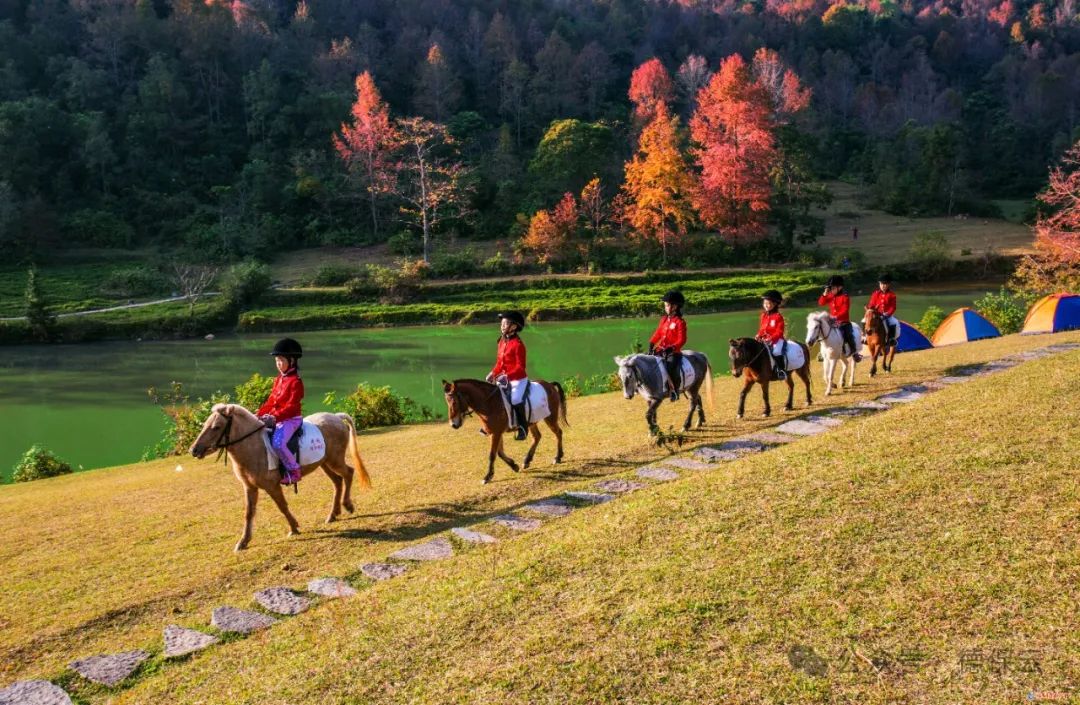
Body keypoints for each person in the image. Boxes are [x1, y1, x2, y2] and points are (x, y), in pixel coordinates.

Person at [257, 338, 305, 486]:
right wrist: (259, 414)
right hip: (276, 418)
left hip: (291, 419)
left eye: (281, 360)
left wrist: (274, 417)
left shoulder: (296, 381)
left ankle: (294, 470)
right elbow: (271, 401)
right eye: (277, 360)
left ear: (292, 361)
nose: (278, 364)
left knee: (278, 444)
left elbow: (291, 406)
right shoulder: (278, 379)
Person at [487, 311, 529, 441]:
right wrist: (493, 373)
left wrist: (506, 376)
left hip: (518, 379)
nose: (502, 326)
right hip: (503, 378)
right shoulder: (501, 342)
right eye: (502, 323)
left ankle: (522, 428)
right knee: (491, 395)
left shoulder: (518, 345)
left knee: (515, 399)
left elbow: (520, 367)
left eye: (505, 323)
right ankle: (489, 425)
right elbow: (499, 363)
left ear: (514, 326)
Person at [649, 290, 687, 402]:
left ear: (675, 307)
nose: (666, 308)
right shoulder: (664, 320)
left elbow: (682, 339)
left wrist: (673, 347)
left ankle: (674, 391)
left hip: (673, 352)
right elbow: (658, 333)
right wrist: (652, 343)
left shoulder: (680, 322)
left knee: (670, 368)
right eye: (665, 305)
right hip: (660, 349)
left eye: (668, 305)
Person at [818, 275, 862, 362]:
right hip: (831, 322)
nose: (831, 290)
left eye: (833, 288)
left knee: (848, 335)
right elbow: (821, 303)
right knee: (821, 331)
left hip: (843, 321)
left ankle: (854, 352)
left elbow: (845, 310)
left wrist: (835, 317)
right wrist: (825, 294)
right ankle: (822, 352)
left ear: (840, 287)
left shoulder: (845, 296)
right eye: (830, 288)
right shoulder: (830, 295)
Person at [756, 290, 787, 380]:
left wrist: (771, 339)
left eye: (768, 303)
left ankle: (781, 371)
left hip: (777, 340)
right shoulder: (763, 316)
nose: (766, 305)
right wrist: (758, 335)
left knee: (776, 351)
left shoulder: (778, 316)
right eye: (764, 303)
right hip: (765, 339)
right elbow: (762, 329)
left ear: (775, 304)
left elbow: (779, 332)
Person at [867, 274, 899, 347]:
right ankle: (865, 337)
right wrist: (870, 308)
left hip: (886, 315)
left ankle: (891, 339)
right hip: (876, 314)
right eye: (881, 284)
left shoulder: (892, 295)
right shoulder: (875, 294)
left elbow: (893, 307)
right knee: (863, 320)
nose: (883, 286)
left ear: (888, 285)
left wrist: (887, 314)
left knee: (894, 322)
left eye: (884, 284)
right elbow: (871, 304)